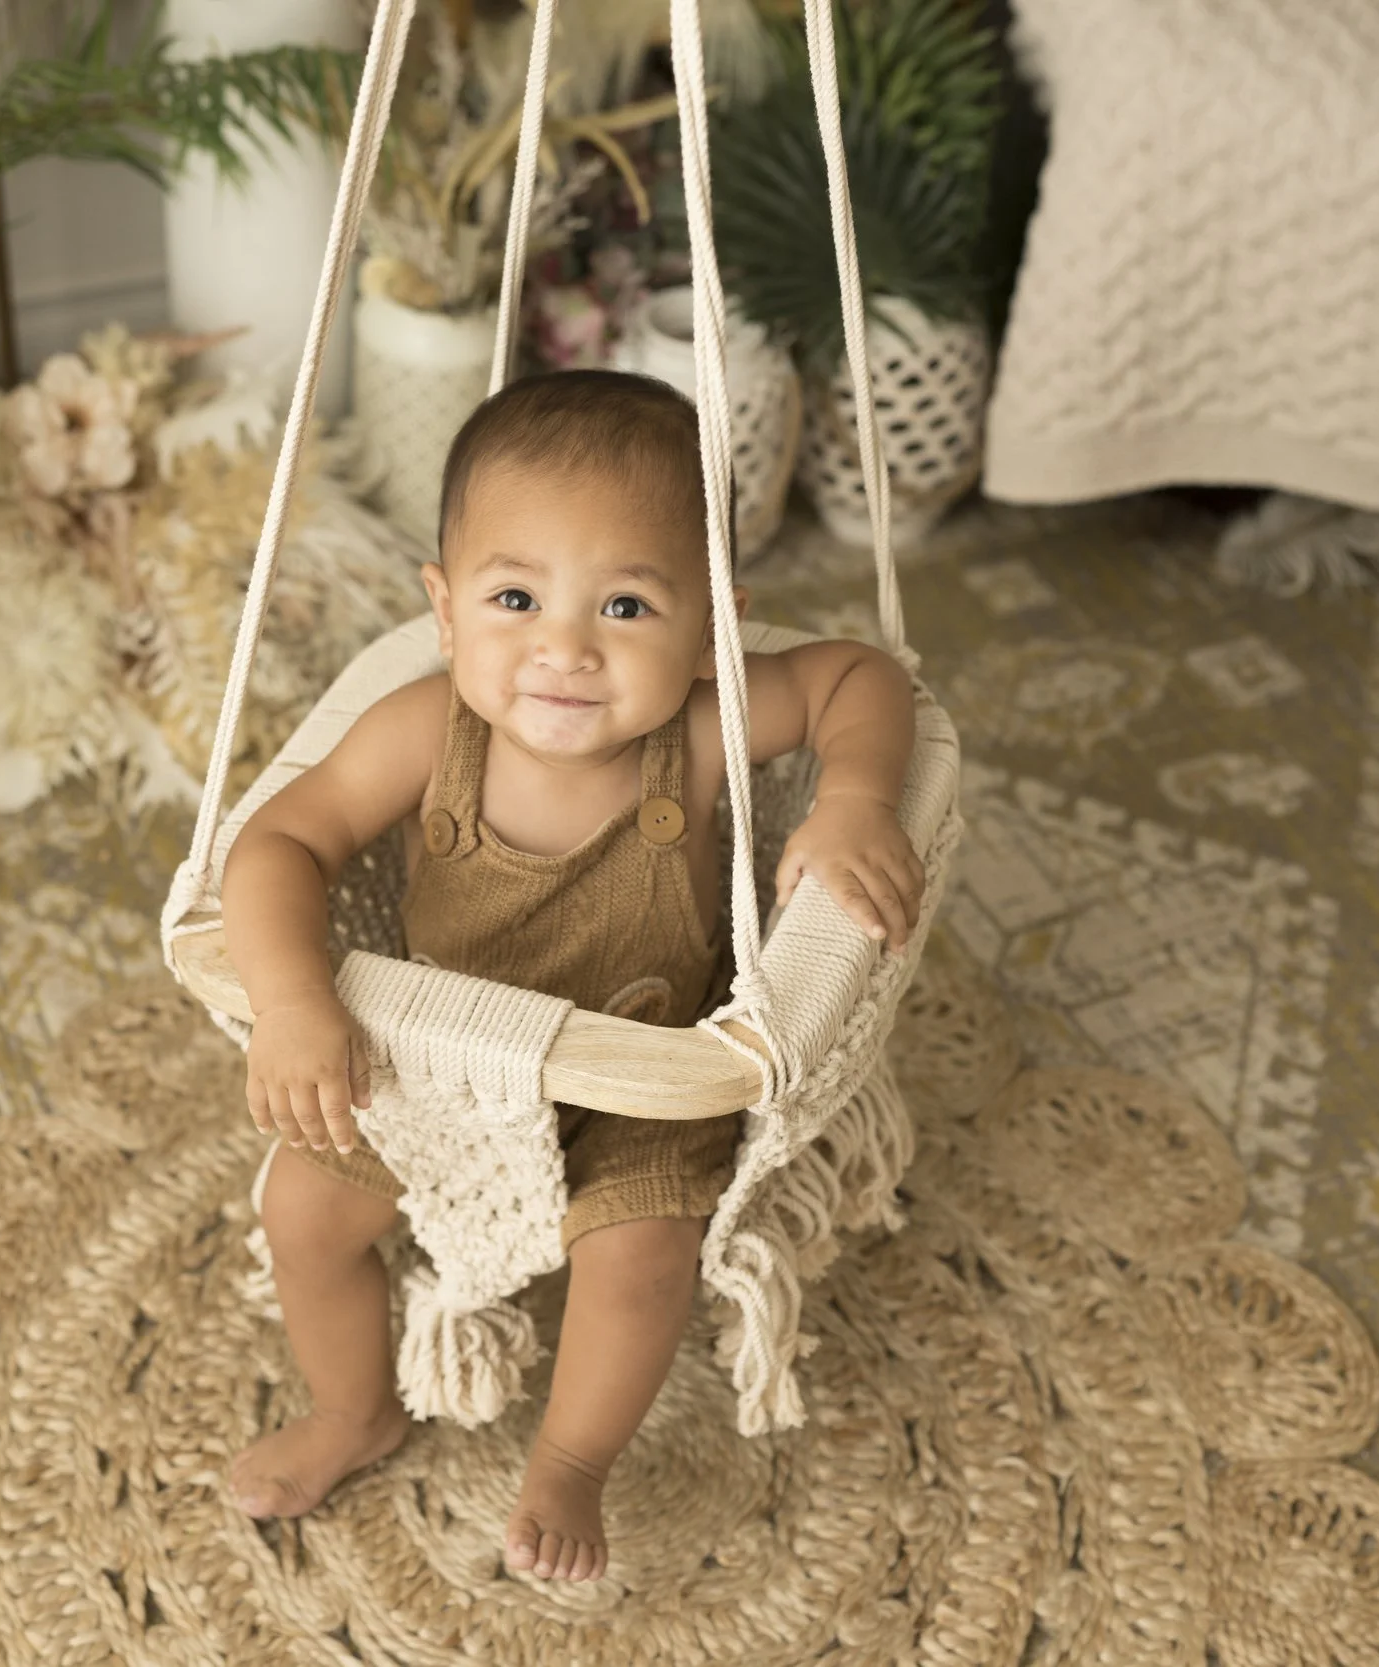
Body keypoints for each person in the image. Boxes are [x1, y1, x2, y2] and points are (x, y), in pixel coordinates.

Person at [219, 370, 925, 1583]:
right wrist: (293, 1001)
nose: (565, 648)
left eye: (627, 606)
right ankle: (351, 1407)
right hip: (438, 1066)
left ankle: (571, 1460)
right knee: (302, 1209)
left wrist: (855, 797)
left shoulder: (695, 728)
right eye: (515, 597)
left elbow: (863, 678)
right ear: (445, 611)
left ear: (710, 628)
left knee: (643, 1257)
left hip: (636, 1081)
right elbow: (276, 841)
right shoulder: (423, 728)